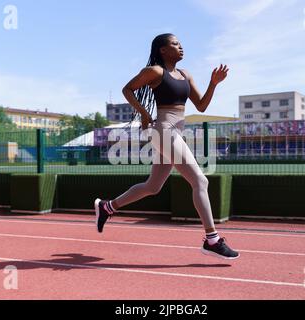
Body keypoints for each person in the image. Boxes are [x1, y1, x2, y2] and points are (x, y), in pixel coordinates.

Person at [95, 33, 239, 260]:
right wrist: (143, 113)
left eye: (181, 44)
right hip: (164, 131)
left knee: (153, 187)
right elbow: (127, 89)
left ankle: (108, 207)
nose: (180, 47)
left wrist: (213, 84)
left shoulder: (185, 74)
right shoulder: (154, 72)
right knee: (200, 181)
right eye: (175, 44)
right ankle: (212, 240)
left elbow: (201, 106)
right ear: (163, 50)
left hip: (174, 133)